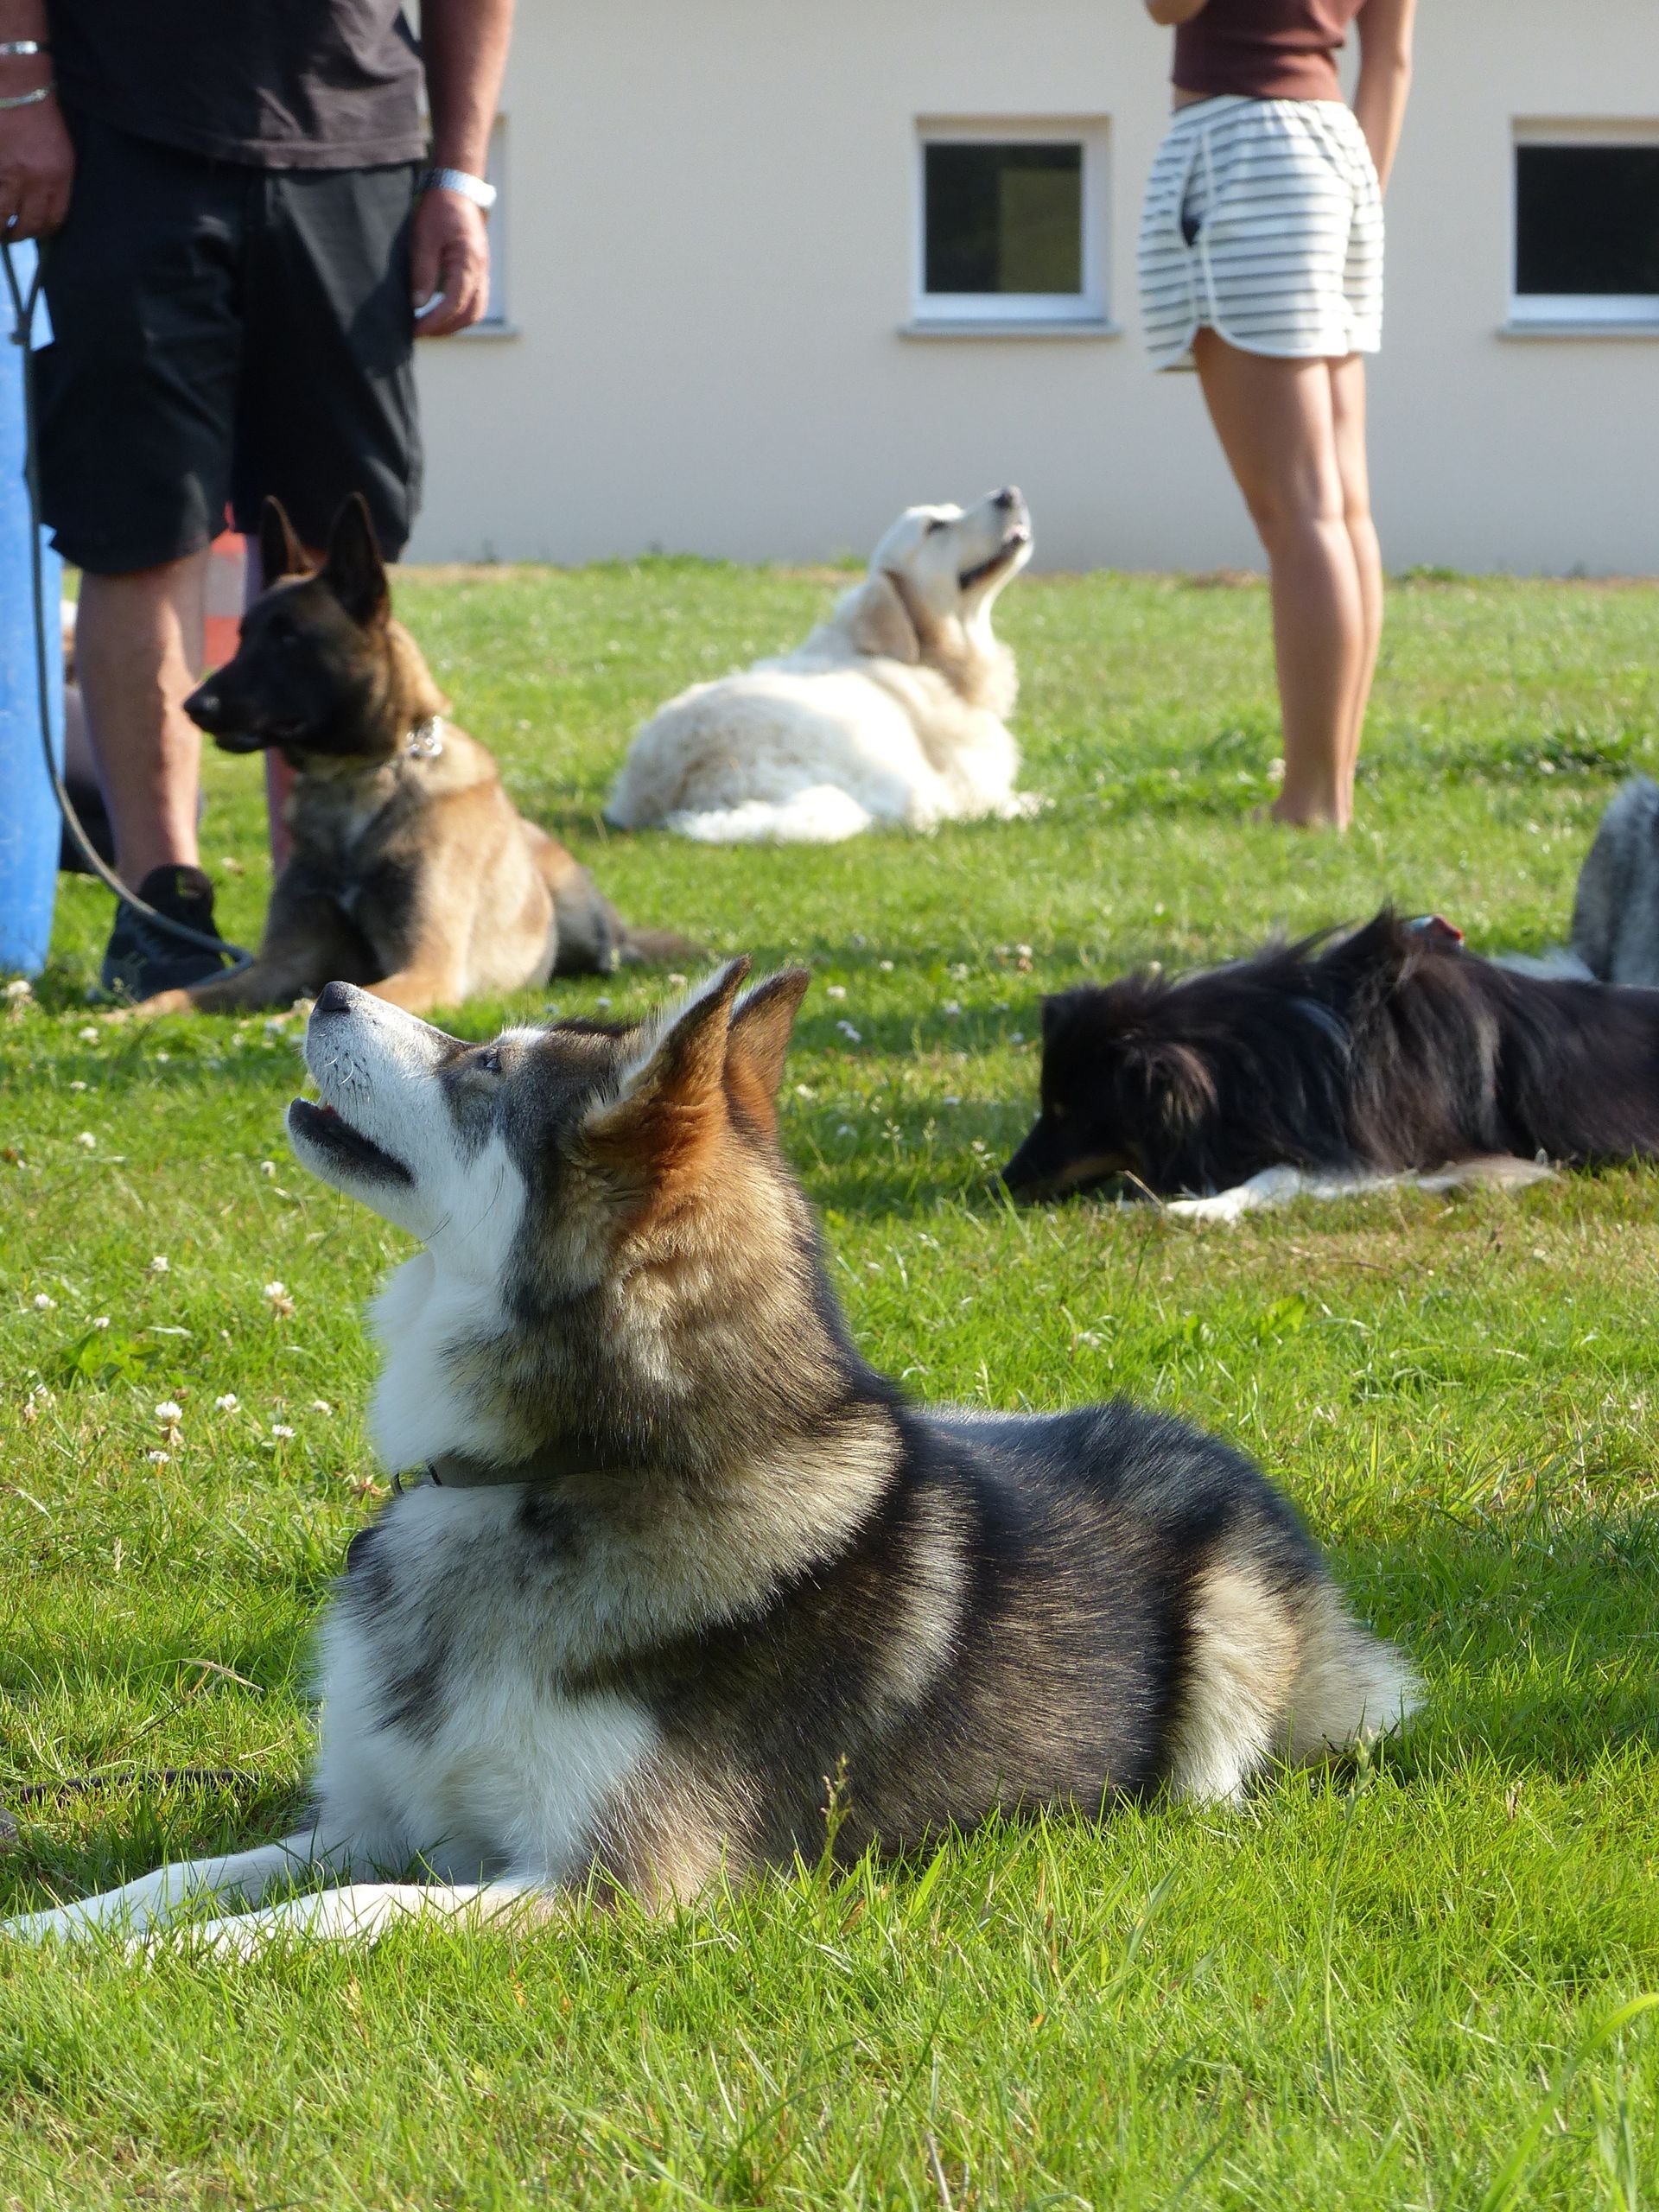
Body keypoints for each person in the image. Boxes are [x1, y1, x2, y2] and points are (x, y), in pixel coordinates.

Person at [0, 0, 514, 995]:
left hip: (353, 146)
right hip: (125, 137)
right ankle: (163, 915)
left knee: (333, 550)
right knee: (139, 532)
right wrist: (21, 86)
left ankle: (321, 897)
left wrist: (460, 176)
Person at [1139, 0, 1416, 830]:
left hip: (1242, 151)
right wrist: (1350, 201)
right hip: (1338, 154)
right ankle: (1327, 789)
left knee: (1298, 515)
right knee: (1339, 509)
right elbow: (1392, 60)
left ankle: (1310, 801)